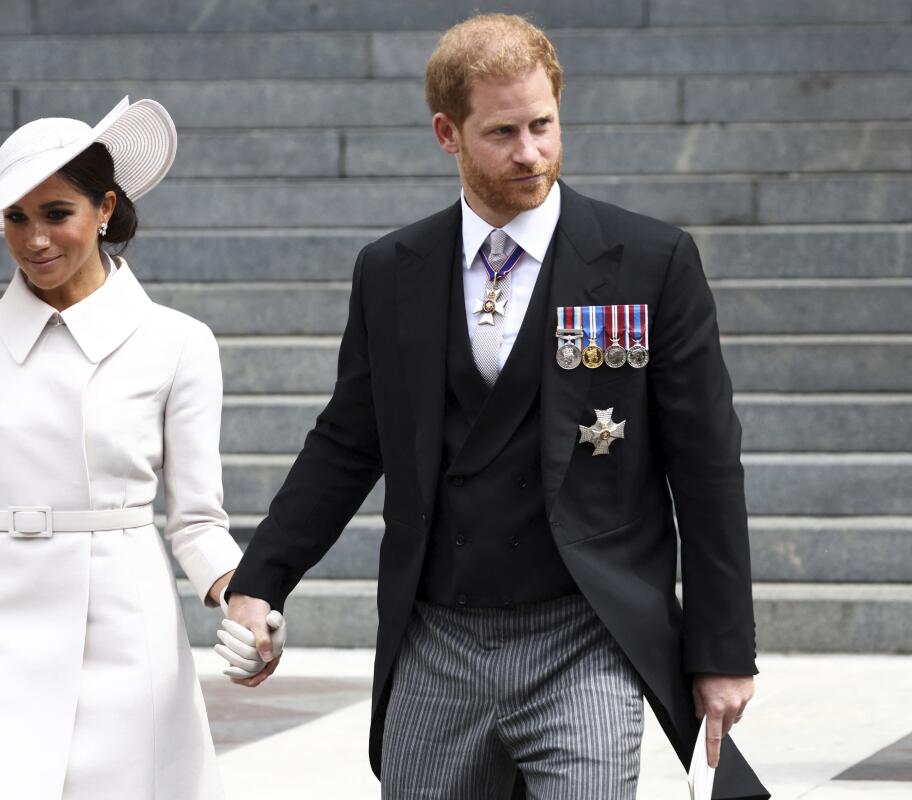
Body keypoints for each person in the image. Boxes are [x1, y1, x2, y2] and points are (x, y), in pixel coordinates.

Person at [224, 14, 768, 800]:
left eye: (544, 124)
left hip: (587, 634)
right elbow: (347, 442)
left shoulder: (651, 262)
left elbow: (709, 464)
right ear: (447, 132)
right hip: (436, 636)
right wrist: (259, 581)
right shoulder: (391, 270)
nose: (531, 153)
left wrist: (723, 651)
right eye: (503, 132)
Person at [0, 98, 271, 799]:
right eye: (16, 218)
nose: (34, 240)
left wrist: (249, 605)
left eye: (57, 213)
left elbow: (197, 522)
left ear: (105, 208)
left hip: (122, 638)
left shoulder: (177, 341)